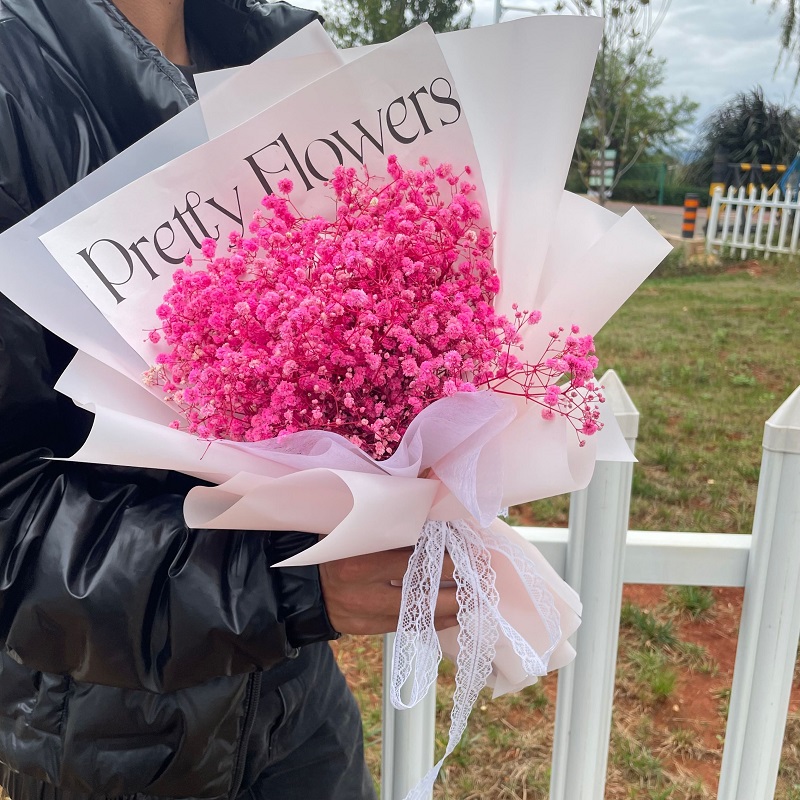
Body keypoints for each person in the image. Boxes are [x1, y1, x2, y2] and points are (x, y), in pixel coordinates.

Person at [0, 1, 459, 798]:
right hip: (103, 737)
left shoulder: (277, 56)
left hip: (297, 703)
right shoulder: (16, 87)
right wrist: (285, 584)